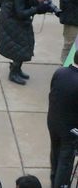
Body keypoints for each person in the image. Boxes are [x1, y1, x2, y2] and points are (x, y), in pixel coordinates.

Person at [0, 0, 53, 85]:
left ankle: (17, 69)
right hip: (10, 19)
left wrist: (40, 9)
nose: (44, 1)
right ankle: (13, 73)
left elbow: (26, 10)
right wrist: (37, 9)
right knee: (19, 45)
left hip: (17, 19)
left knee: (26, 43)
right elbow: (20, 13)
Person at [47, 54, 78, 188]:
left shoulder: (60, 72)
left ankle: (54, 181)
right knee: (65, 162)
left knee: (55, 154)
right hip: (70, 129)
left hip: (53, 121)